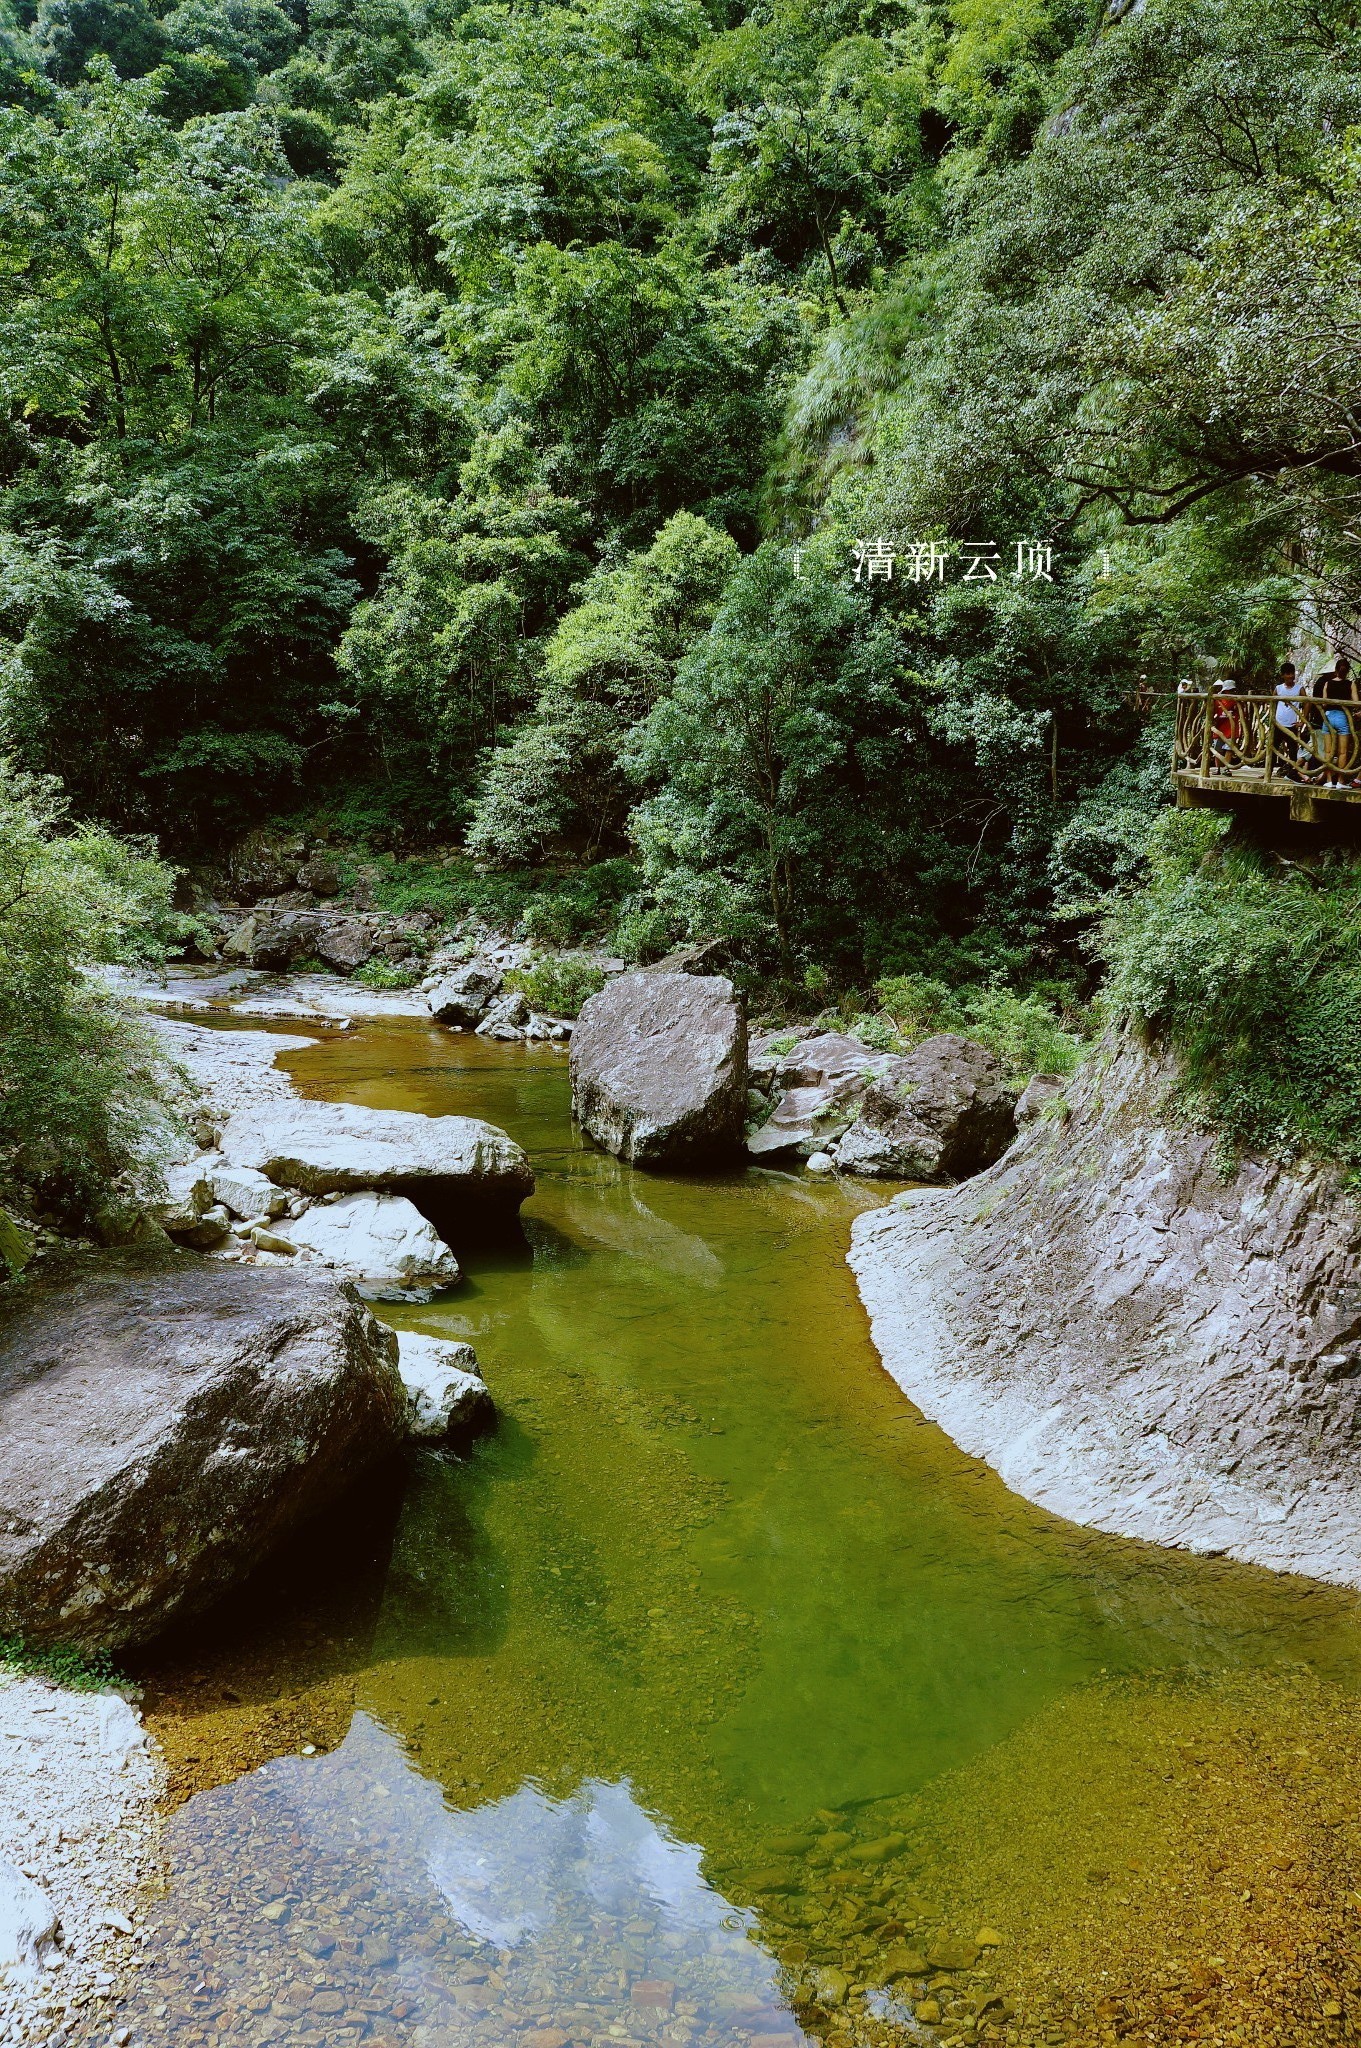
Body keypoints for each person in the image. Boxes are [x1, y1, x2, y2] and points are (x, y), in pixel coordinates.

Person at [1315, 654, 1357, 777]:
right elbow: (1355, 702)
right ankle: (1340, 781)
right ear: (1347, 671)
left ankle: (1328, 780)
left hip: (1328, 717)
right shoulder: (1351, 684)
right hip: (1342, 717)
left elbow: (1324, 703)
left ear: (1336, 670)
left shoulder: (1327, 683)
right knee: (1342, 752)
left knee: (1328, 751)